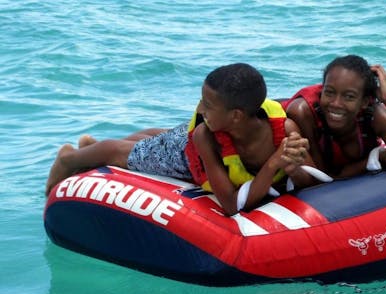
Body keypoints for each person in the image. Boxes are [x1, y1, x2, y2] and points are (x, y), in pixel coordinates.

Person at [46, 63, 314, 216]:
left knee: (160, 137)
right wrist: (273, 165)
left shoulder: (286, 130)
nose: (199, 109)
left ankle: (87, 147)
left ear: (236, 116)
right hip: (185, 157)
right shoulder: (205, 134)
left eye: (207, 104)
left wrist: (294, 164)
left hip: (183, 140)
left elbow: (312, 179)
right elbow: (231, 205)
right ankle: (70, 157)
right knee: (125, 153)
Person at [282, 55, 386, 180]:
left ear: (364, 102)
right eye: (329, 92)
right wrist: (377, 157)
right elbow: (323, 178)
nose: (336, 103)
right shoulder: (302, 113)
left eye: (349, 97)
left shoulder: (374, 116)